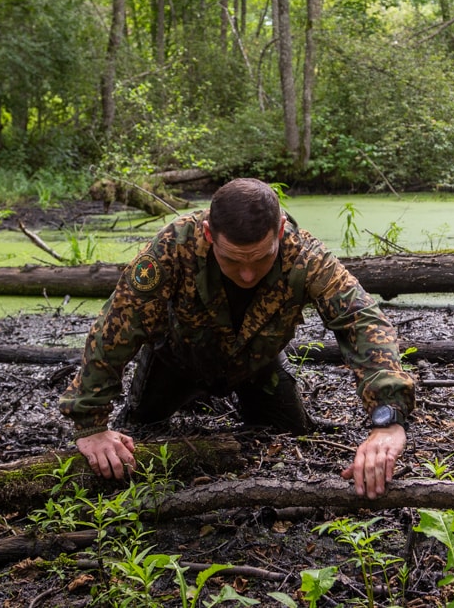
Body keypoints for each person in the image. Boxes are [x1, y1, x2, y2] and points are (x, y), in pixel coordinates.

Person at [59, 178, 415, 498]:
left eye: (260, 260)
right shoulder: (173, 246)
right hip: (175, 362)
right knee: (143, 427)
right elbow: (119, 322)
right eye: (233, 260)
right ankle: (186, 398)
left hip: (255, 365)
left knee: (291, 433)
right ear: (210, 234)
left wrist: (388, 419)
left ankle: (217, 399)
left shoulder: (305, 255)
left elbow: (361, 319)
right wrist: (90, 423)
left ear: (279, 231)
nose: (247, 274)